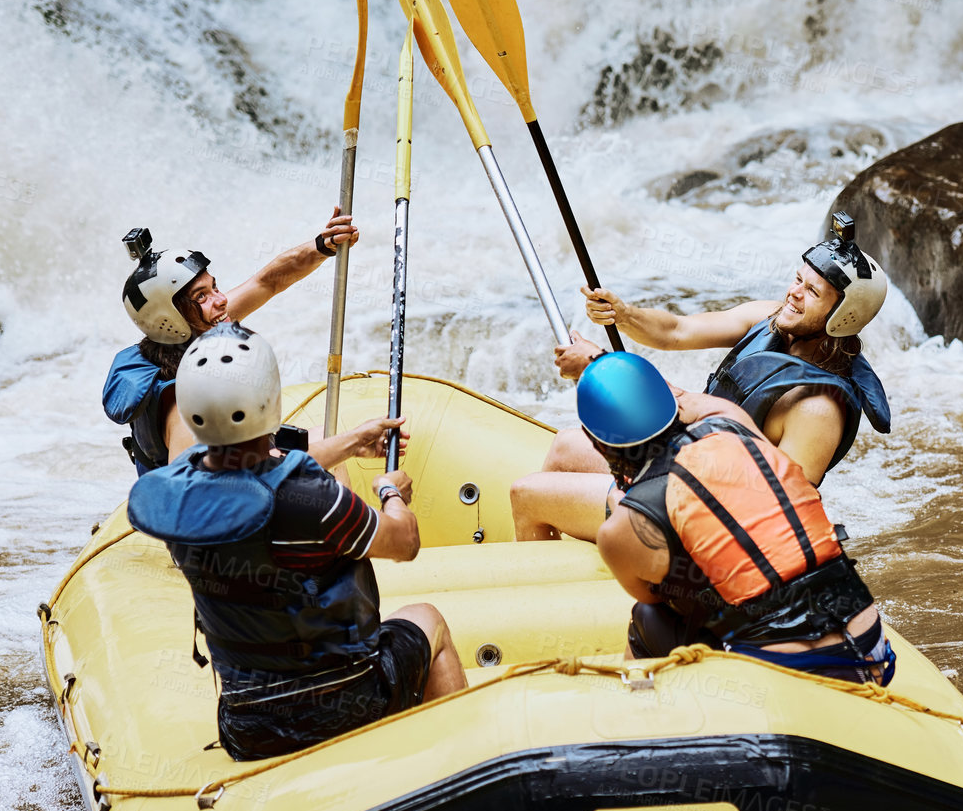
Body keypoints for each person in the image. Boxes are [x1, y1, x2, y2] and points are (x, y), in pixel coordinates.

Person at [127, 323, 465, 761]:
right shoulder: (314, 499)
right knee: (427, 618)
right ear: (268, 398)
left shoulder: (173, 495)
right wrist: (391, 492)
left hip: (247, 724)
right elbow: (404, 542)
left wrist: (350, 443)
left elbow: (255, 470)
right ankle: (453, 761)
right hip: (348, 703)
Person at [510, 213, 893, 542]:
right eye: (797, 279)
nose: (794, 294)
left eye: (812, 291)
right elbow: (676, 330)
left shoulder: (818, 408)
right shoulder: (773, 319)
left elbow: (784, 511)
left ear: (844, 315)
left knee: (526, 494)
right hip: (682, 470)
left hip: (701, 517)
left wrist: (597, 364)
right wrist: (624, 314)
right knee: (564, 446)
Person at [579, 351, 896, 686]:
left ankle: (644, 720)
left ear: (597, 445)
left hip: (792, 672)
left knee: (650, 618)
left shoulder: (622, 528)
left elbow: (651, 595)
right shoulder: (733, 422)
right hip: (871, 646)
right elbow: (688, 403)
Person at [103, 210, 393, 475]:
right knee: (330, 454)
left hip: (229, 465)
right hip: (213, 505)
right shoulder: (181, 406)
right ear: (170, 318)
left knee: (326, 439)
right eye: (201, 296)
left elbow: (268, 282)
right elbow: (191, 492)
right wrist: (353, 442)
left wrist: (321, 245)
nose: (222, 300)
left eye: (213, 286)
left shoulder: (200, 327)